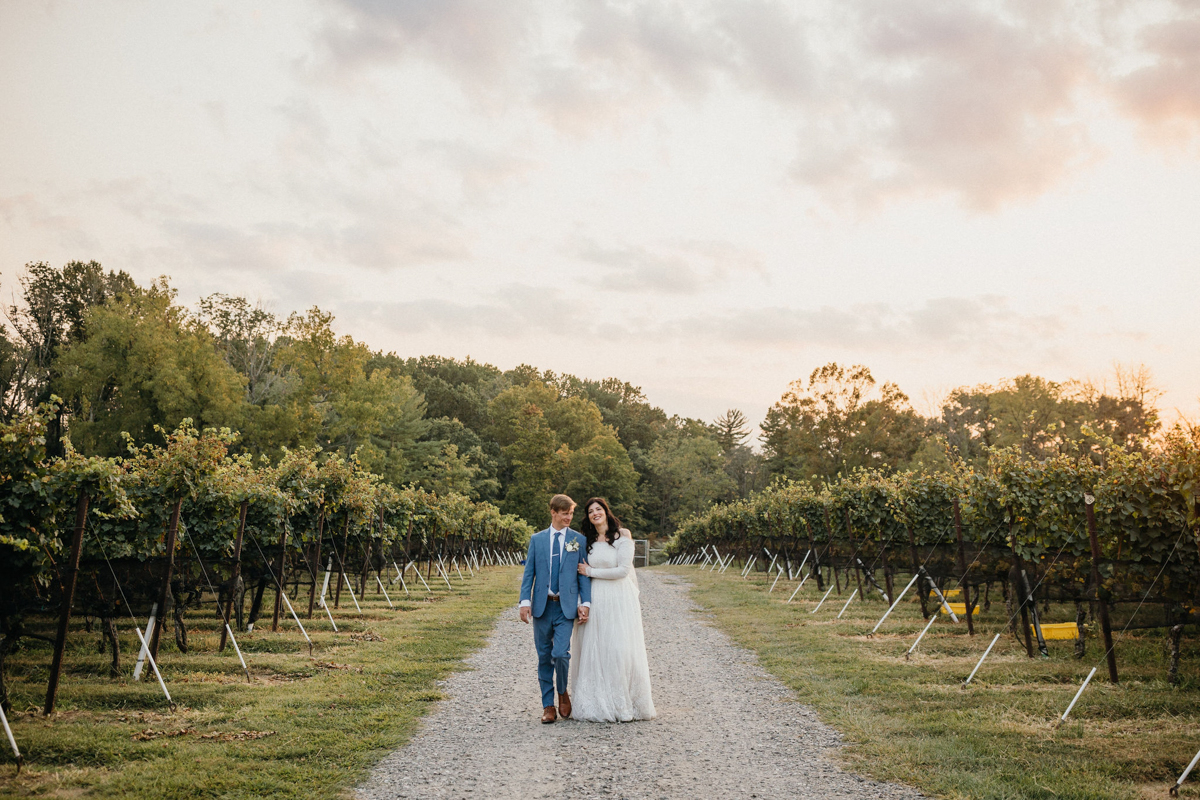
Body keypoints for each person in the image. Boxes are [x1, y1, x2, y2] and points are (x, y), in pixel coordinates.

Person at [569, 497, 655, 722]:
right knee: (596, 647)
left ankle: (622, 702)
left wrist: (591, 572)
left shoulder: (621, 536)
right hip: (595, 597)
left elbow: (622, 571)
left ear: (606, 511)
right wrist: (582, 601)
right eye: (590, 511)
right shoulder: (586, 540)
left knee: (618, 647)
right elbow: (579, 570)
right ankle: (597, 700)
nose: (595, 513)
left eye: (598, 509)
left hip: (618, 597)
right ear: (587, 517)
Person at [519, 494, 592, 724]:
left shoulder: (577, 539)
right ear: (553, 512)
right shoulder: (537, 540)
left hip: (565, 607)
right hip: (542, 606)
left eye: (571, 513)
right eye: (564, 513)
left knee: (560, 654)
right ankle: (548, 705)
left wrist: (585, 603)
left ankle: (562, 692)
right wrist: (524, 602)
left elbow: (582, 575)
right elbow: (529, 572)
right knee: (543, 657)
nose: (569, 517)